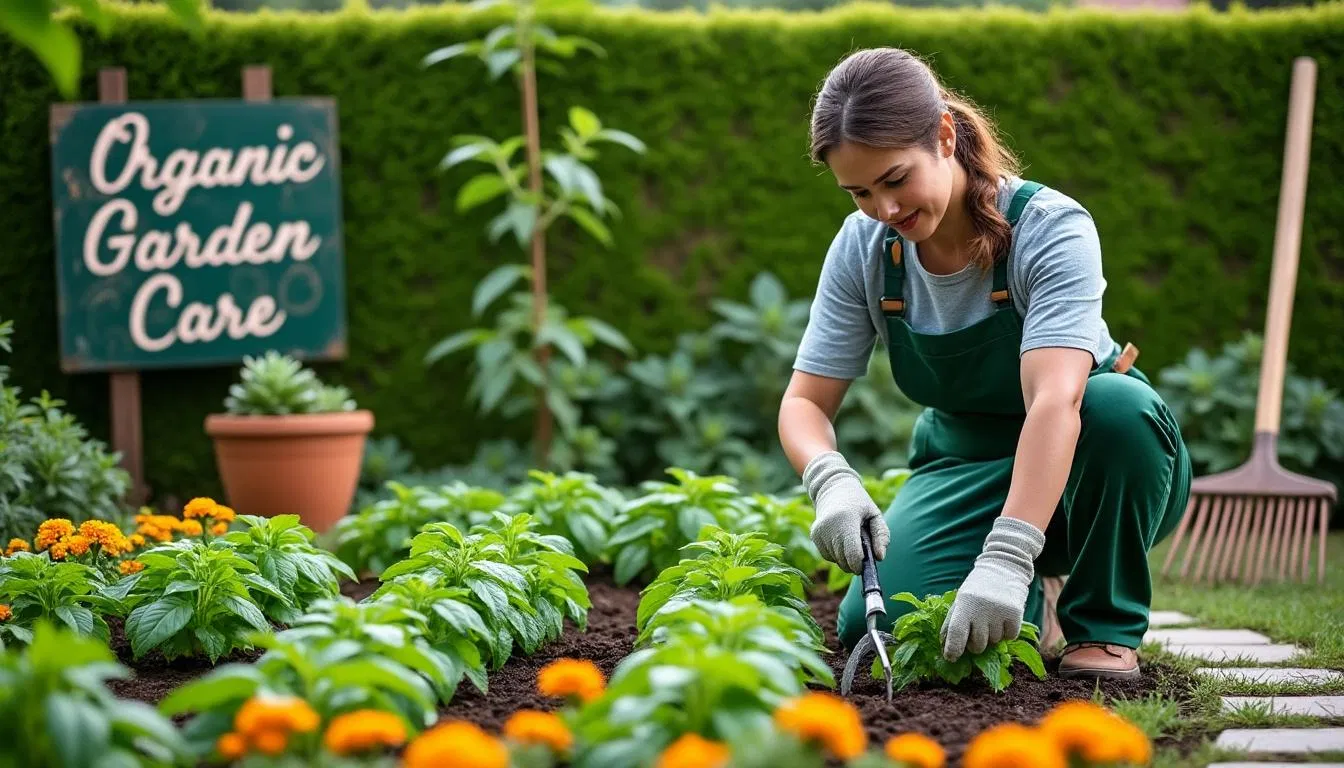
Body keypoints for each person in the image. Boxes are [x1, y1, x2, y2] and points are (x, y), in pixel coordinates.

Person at [778, 47, 1192, 680]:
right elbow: (805, 402)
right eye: (859, 191)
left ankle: (1102, 627)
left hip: (1098, 462)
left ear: (944, 135)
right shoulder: (864, 248)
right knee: (884, 622)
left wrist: (1008, 553)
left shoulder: (1049, 229)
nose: (884, 209)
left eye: (894, 179)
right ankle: (1034, 603)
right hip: (966, 461)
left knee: (1117, 407)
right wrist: (827, 477)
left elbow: (1057, 402)